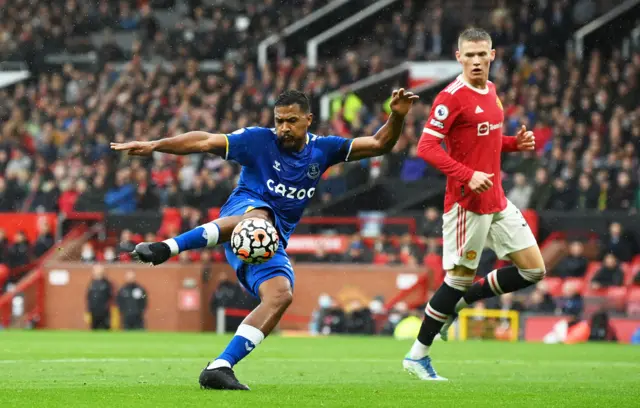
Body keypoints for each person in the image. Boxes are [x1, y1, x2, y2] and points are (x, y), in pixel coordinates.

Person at [110, 89, 419, 390]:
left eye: (291, 120)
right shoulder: (258, 141)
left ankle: (220, 366)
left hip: (268, 242)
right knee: (259, 217)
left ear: (308, 120)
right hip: (243, 214)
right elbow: (205, 140)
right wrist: (155, 145)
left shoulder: (323, 150)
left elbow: (380, 143)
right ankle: (169, 247)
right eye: (279, 120)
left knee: (281, 295)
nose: (283, 127)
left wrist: (396, 116)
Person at [403, 28, 545, 381]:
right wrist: (467, 175)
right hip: (468, 204)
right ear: (458, 57)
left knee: (533, 270)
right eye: (470, 55)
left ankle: (460, 305)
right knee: (457, 279)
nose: (477, 61)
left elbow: (488, 140)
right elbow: (427, 148)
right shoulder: (450, 98)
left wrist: (515, 144)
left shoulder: (492, 91)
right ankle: (416, 355)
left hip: (496, 198)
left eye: (482, 54)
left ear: (493, 55)